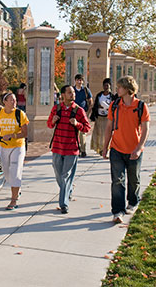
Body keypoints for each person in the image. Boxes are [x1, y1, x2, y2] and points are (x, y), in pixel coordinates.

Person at [102, 76, 150, 224]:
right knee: (117, 181)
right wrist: (105, 147)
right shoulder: (115, 105)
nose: (117, 90)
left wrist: (139, 148)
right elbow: (109, 127)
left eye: (119, 87)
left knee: (134, 179)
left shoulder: (141, 106)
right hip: (116, 148)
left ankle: (133, 202)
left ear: (127, 89)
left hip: (134, 150)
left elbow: (145, 129)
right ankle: (117, 211)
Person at [47, 85, 91, 214]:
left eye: (73, 93)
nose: (73, 95)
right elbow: (49, 124)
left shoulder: (79, 110)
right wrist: (53, 121)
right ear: (63, 95)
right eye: (70, 93)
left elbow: (87, 128)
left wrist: (77, 124)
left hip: (72, 148)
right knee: (58, 174)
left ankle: (63, 204)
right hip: (57, 147)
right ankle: (68, 190)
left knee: (65, 175)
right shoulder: (56, 109)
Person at [0, 91, 29, 210]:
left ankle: (14, 200)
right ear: (5, 102)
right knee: (6, 173)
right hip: (4, 146)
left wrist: (12, 135)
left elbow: (25, 133)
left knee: (15, 172)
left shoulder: (20, 114)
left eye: (15, 100)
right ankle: (17, 187)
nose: (14, 102)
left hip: (17, 146)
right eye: (11, 100)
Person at [90, 78, 117, 155]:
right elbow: (95, 105)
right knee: (98, 133)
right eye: (105, 85)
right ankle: (99, 148)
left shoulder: (112, 96)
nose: (106, 87)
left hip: (107, 117)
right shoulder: (99, 95)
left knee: (106, 133)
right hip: (99, 117)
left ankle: (105, 148)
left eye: (107, 86)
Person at [73, 74, 93, 157]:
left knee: (83, 133)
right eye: (78, 80)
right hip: (73, 114)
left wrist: (87, 113)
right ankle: (76, 149)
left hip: (83, 114)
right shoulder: (72, 90)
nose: (79, 82)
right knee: (74, 133)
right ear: (75, 81)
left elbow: (91, 101)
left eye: (81, 80)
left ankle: (83, 150)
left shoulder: (85, 90)